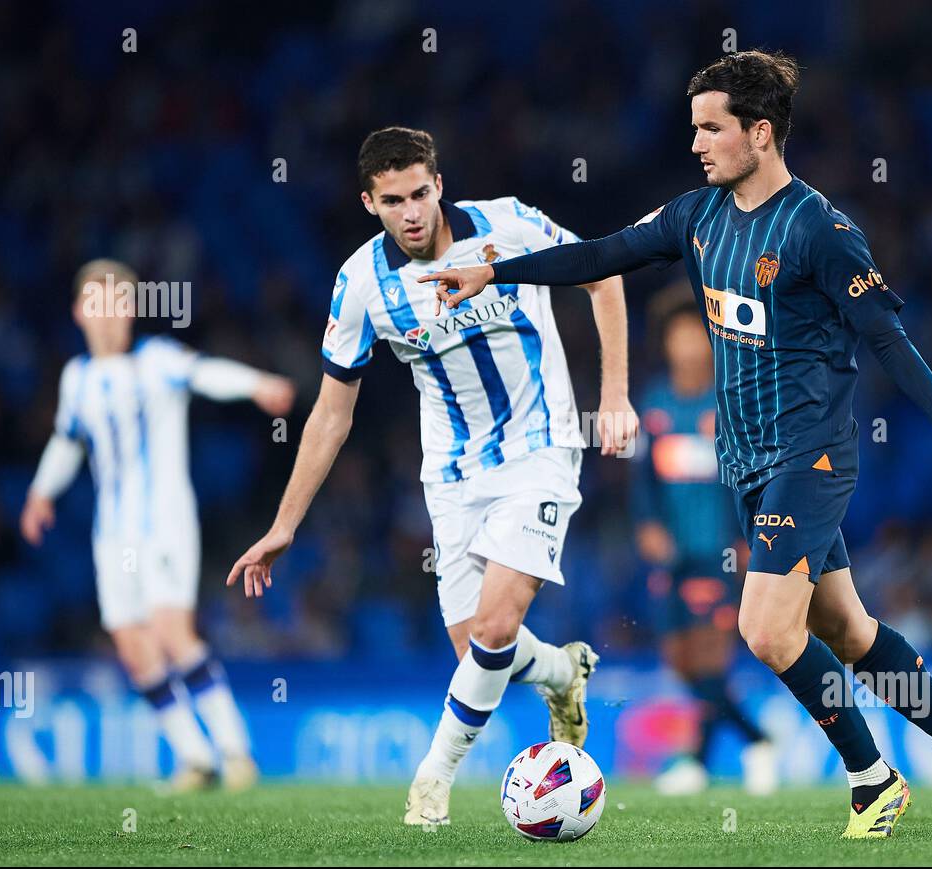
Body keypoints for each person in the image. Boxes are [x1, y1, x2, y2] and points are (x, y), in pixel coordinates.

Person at [420, 52, 932, 838]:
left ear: (761, 133)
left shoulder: (821, 230)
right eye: (694, 127)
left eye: (713, 128)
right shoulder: (697, 217)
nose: (698, 143)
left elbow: (889, 339)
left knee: (767, 630)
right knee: (847, 631)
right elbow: (601, 254)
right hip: (745, 463)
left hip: (809, 457)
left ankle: (873, 781)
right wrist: (494, 271)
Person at [226, 127, 638, 826]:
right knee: (480, 649)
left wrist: (617, 394)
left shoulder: (507, 225)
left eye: (421, 192)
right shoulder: (362, 284)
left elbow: (602, 273)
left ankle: (430, 784)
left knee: (497, 624)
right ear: (369, 202)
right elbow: (331, 413)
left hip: (540, 447)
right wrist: (283, 524)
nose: (412, 211)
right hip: (450, 476)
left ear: (439, 184)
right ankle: (563, 674)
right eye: (394, 200)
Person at [21, 258, 294, 791]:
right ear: (80, 312)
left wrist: (257, 383)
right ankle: (196, 759)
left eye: (121, 304)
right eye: (99, 304)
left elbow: (206, 372)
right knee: (131, 645)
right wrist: (40, 492)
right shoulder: (76, 378)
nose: (110, 316)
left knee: (172, 633)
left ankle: (237, 753)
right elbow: (66, 438)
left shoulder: (157, 360)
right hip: (112, 534)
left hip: (165, 525)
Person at [634, 296, 776, 796]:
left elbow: (751, 478)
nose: (688, 345)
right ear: (668, 344)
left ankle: (697, 761)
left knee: (712, 657)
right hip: (672, 556)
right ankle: (757, 739)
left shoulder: (729, 402)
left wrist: (746, 537)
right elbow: (643, 481)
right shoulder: (655, 403)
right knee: (681, 659)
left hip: (719, 553)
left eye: (696, 335)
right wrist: (647, 525)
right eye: (679, 336)